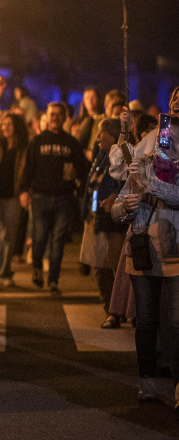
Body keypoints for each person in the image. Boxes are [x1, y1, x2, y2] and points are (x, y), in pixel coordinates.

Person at [112, 112, 179, 407]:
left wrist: (150, 185)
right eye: (165, 139)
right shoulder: (150, 151)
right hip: (142, 246)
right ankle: (146, 382)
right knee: (147, 320)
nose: (168, 144)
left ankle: (178, 386)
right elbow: (122, 180)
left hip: (175, 248)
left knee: (176, 321)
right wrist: (125, 207)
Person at [19, 102, 89, 292]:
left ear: (65, 117)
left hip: (64, 198)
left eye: (59, 114)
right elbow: (28, 169)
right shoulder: (37, 141)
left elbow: (84, 169)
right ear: (47, 117)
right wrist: (24, 191)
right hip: (41, 197)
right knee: (39, 237)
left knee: (58, 241)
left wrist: (76, 174)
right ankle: (37, 267)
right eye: (52, 114)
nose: (56, 118)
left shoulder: (71, 143)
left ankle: (53, 280)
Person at [78, 118, 126, 328]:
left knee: (112, 268)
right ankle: (111, 309)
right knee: (100, 267)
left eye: (102, 134)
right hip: (95, 218)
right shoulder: (101, 157)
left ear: (113, 136)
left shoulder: (118, 159)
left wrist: (114, 197)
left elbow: (123, 185)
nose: (98, 138)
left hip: (110, 222)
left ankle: (117, 311)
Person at [0, 112, 30, 287]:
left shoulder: (23, 148)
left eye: (9, 124)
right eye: (3, 124)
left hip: (12, 195)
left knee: (8, 236)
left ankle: (4, 272)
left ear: (17, 127)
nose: (5, 127)